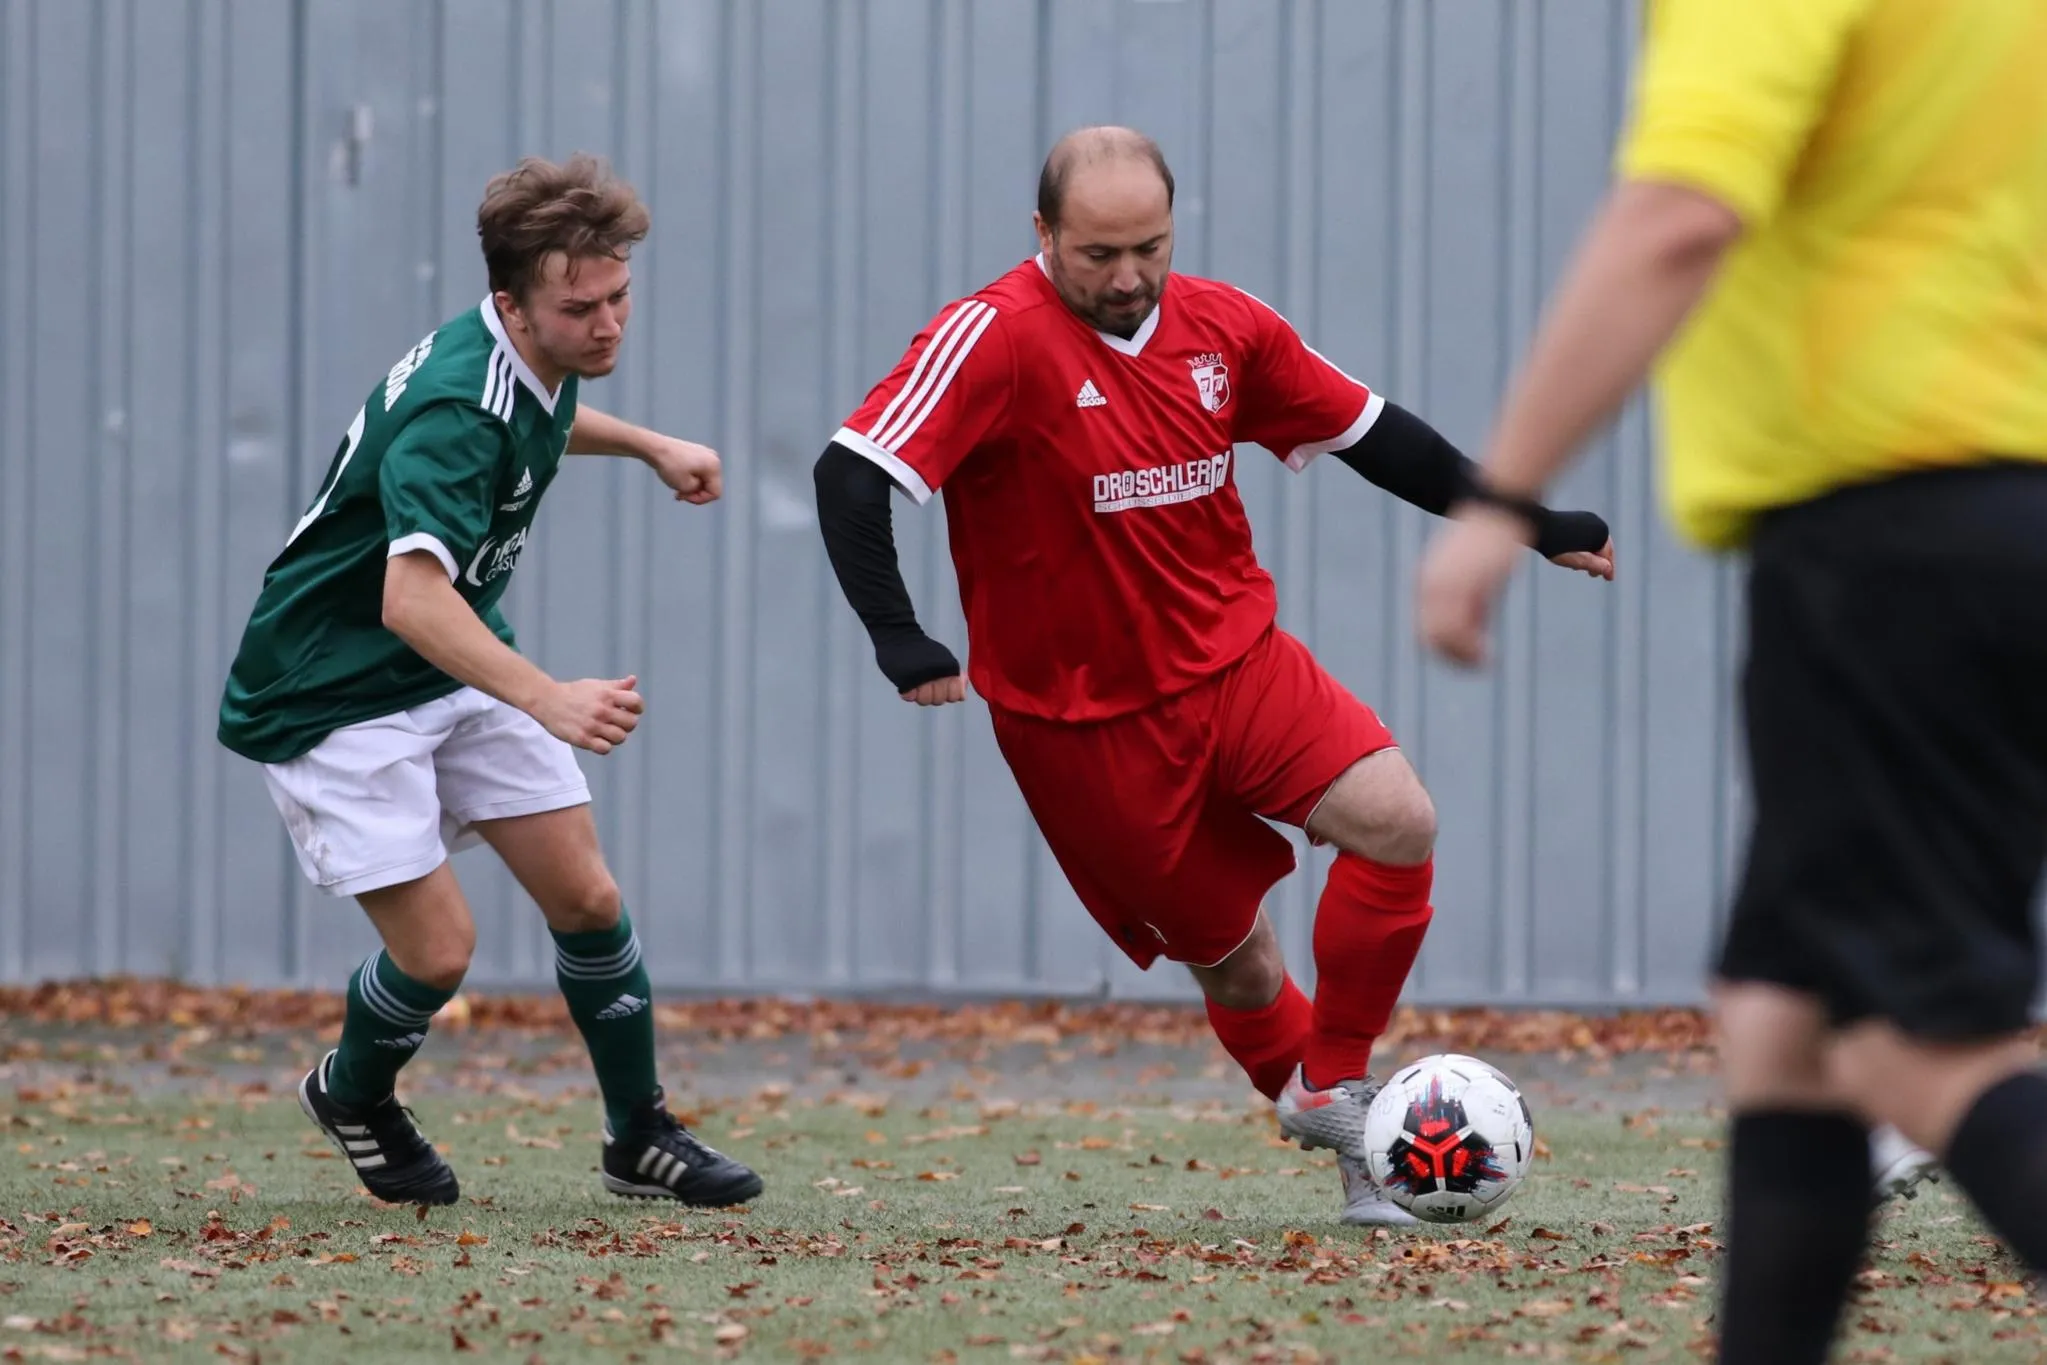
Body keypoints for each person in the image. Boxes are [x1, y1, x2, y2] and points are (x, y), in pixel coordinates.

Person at [813, 126, 1616, 1226]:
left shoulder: (1225, 327)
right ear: (1041, 232)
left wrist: (1527, 521)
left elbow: (1376, 436)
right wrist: (899, 635)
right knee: (1238, 967)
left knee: (1397, 820)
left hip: (1237, 660)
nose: (1127, 276)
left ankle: (1335, 1085)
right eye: (1097, 253)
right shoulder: (989, 336)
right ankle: (1356, 1154)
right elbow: (851, 473)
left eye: (1148, 247)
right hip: (1081, 727)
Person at [1413, 1, 2047, 1357]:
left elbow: (1678, 217)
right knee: (1783, 1028)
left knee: (1909, 1041)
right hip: (1988, 515)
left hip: (1888, 537)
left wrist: (1497, 500)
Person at [217, 154, 763, 1210]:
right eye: (580, 309)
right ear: (512, 304)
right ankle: (350, 1092)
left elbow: (539, 418)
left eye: (619, 297)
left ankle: (637, 1135)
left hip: (443, 659)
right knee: (438, 953)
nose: (607, 325)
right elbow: (410, 600)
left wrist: (647, 444)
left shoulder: (518, 356)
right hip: (331, 692)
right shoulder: (456, 412)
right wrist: (548, 698)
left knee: (587, 897)